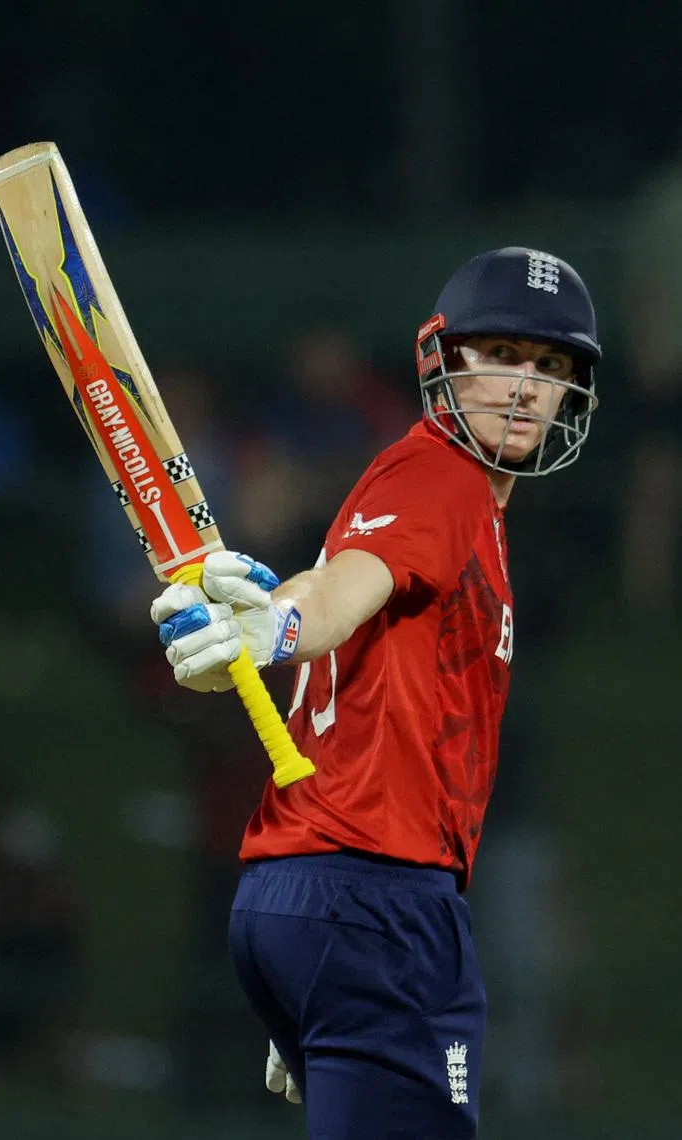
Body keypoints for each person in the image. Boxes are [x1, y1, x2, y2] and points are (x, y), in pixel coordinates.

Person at [149, 247, 600, 1139]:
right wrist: (271, 627)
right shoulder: (443, 478)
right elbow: (335, 590)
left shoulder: (443, 489)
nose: (525, 385)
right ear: (443, 360)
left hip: (311, 896)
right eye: (501, 355)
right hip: (374, 897)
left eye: (550, 367)